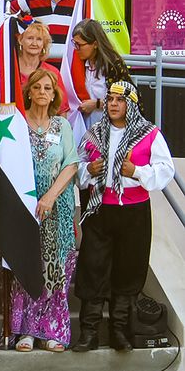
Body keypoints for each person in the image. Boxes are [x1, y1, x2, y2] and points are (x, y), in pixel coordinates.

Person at [74, 80, 174, 353]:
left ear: (131, 104)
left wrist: (137, 172)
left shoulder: (149, 134)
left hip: (134, 212)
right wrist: (88, 170)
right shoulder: (94, 133)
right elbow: (76, 166)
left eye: (119, 100)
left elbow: (165, 170)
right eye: (110, 100)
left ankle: (119, 331)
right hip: (99, 209)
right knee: (93, 268)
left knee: (128, 270)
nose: (113, 104)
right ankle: (89, 332)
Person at [9, 68, 78, 353]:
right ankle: (26, 330)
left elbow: (71, 164)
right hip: (24, 209)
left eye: (47, 88)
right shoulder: (16, 122)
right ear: (28, 92)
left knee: (56, 269)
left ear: (54, 95)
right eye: (37, 87)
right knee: (28, 266)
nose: (42, 92)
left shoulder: (62, 126)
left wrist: (50, 196)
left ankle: (52, 330)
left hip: (56, 209)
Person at [71, 18, 130, 129]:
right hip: (85, 129)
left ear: (95, 44)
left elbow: (127, 98)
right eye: (74, 44)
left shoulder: (113, 65)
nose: (76, 49)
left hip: (110, 128)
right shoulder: (78, 64)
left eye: (80, 45)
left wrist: (96, 104)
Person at [10, 0, 76, 58]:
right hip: (40, 60)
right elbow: (10, 8)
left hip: (67, 61)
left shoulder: (77, 0)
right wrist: (25, 26)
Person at [17, 21, 69, 115]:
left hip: (44, 122)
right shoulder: (9, 68)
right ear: (20, 40)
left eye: (39, 39)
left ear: (43, 44)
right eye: (30, 38)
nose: (34, 43)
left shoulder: (52, 72)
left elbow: (62, 110)